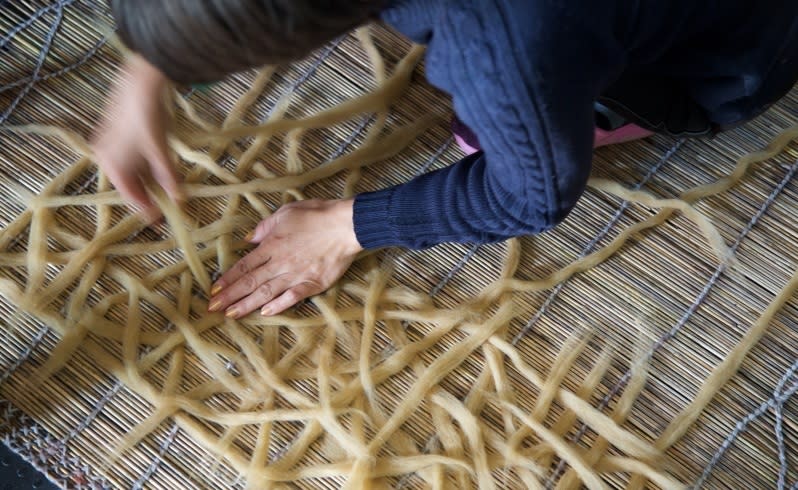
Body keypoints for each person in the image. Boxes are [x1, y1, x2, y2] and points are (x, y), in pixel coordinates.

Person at [93, 0, 798, 319]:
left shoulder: (503, 49)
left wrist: (346, 226)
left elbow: (529, 195)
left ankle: (615, 102)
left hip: (733, 53)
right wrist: (155, 58)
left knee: (487, 138)